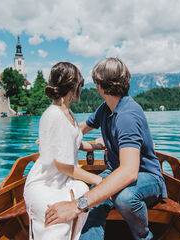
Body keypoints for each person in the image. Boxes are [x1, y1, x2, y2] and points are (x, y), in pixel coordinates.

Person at [45, 58, 168, 240]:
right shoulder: (106, 109)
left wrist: (76, 205)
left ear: (100, 86)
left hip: (148, 178)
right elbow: (79, 129)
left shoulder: (128, 115)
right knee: (92, 203)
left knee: (123, 197)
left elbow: (129, 172)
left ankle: (144, 236)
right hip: (114, 171)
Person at [24, 62, 104, 240]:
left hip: (64, 181)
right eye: (80, 85)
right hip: (46, 183)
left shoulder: (68, 113)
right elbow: (64, 166)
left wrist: (97, 146)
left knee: (83, 191)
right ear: (74, 86)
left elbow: (75, 142)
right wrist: (99, 180)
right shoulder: (54, 115)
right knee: (57, 226)